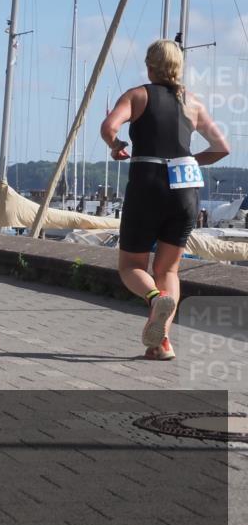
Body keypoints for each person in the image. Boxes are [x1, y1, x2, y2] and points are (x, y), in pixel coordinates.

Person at [101, 39, 229, 360]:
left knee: (131, 265)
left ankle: (155, 299)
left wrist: (116, 144)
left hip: (148, 184)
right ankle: (163, 342)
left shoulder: (137, 95)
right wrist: (189, 161)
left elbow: (108, 126)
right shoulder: (193, 103)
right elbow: (221, 147)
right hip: (185, 190)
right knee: (169, 269)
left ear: (149, 66)